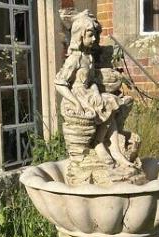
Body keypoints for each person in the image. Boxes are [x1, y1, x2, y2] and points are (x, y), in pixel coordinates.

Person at [55, 10, 133, 167]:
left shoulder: (88, 57)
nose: (95, 39)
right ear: (79, 35)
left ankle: (114, 150)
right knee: (110, 102)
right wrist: (76, 102)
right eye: (90, 34)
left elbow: (90, 82)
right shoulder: (74, 59)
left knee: (112, 101)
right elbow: (60, 83)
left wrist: (96, 91)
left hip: (89, 93)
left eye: (95, 34)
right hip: (78, 96)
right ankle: (98, 143)